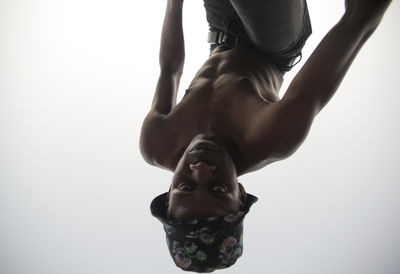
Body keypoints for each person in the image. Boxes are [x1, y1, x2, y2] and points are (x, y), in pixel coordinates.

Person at [140, 0, 392, 272]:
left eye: (186, 187)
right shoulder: (273, 138)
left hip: (218, 30)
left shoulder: (158, 144)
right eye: (218, 188)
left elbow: (170, 68)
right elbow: (355, 23)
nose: (200, 168)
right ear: (240, 195)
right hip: (272, 45)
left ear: (168, 195)